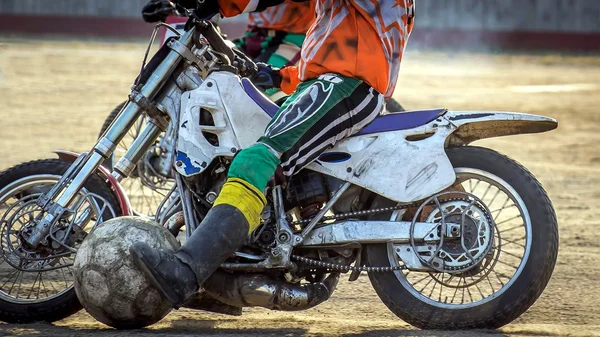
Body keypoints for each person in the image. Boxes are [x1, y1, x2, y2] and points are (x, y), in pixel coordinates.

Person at [132, 0, 416, 307]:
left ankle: (183, 273)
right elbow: (343, 44)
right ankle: (219, 280)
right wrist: (279, 77)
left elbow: (352, 58)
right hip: (331, 84)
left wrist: (220, 4)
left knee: (256, 161)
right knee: (242, 154)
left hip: (345, 87)